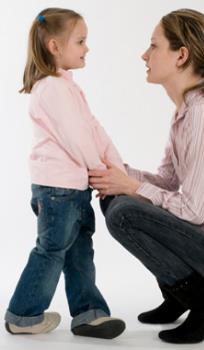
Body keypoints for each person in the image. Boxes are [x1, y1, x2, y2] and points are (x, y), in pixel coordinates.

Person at [89, 8, 204, 344]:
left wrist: (132, 186)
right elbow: (168, 181)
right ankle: (180, 294)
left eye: (154, 46)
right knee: (116, 198)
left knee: (126, 211)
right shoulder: (185, 112)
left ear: (181, 55)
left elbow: (193, 210)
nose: (145, 55)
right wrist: (119, 174)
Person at [4, 7, 126, 339]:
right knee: (52, 250)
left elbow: (94, 130)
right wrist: (100, 172)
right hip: (57, 191)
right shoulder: (52, 90)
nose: (87, 48)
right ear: (55, 46)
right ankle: (23, 314)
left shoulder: (66, 87)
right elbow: (77, 137)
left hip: (73, 189)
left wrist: (116, 169)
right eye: (81, 41)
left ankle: (89, 313)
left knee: (79, 250)